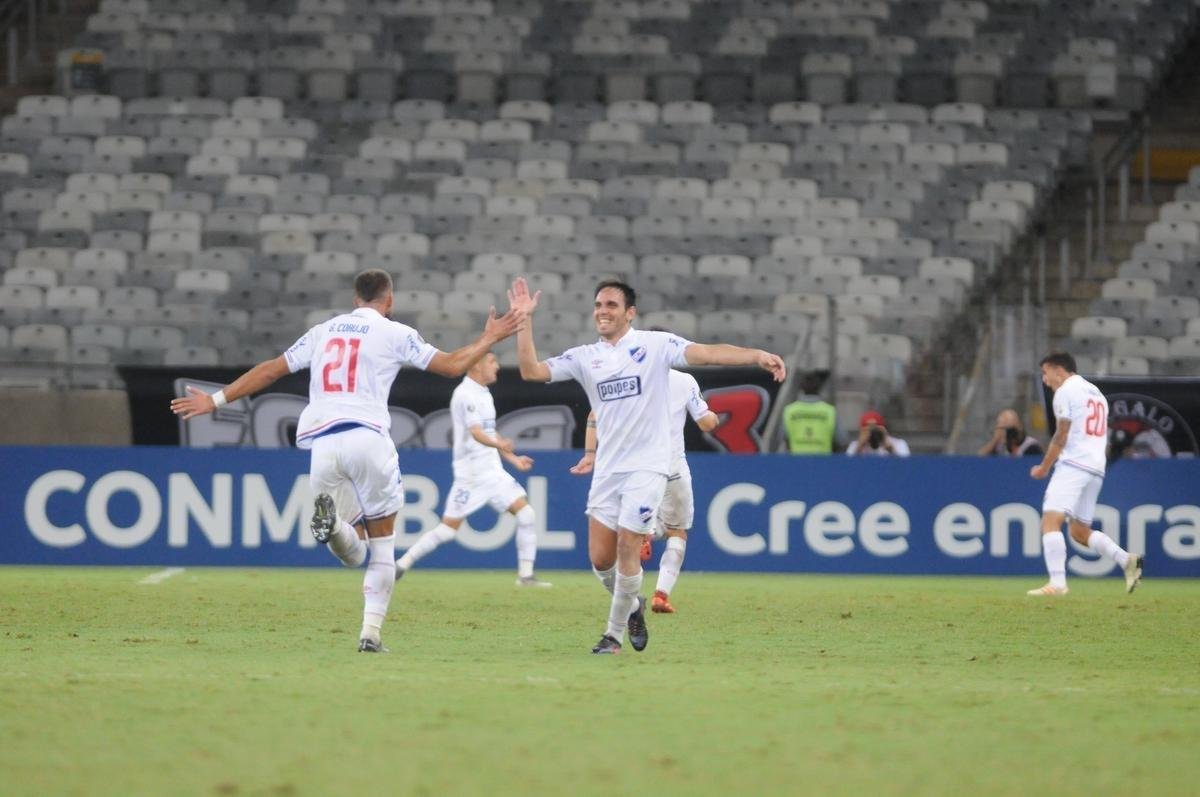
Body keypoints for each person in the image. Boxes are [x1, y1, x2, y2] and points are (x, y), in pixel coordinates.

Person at [170, 269, 523, 652]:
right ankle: (370, 634)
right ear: (388, 301)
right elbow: (453, 366)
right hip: (367, 437)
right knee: (382, 547)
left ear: (356, 299)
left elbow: (271, 369)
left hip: (323, 444)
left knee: (351, 548)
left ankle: (334, 524)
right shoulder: (394, 332)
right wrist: (491, 336)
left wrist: (215, 400)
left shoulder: (323, 331)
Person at [508, 276, 786, 654]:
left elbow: (707, 353)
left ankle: (612, 635)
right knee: (600, 559)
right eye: (598, 305)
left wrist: (755, 356)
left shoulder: (656, 346)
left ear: (630, 313)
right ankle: (634, 603)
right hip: (609, 470)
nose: (602, 312)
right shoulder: (585, 357)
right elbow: (531, 372)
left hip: (649, 468)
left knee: (627, 544)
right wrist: (523, 322)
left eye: (611, 305)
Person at [394, 352, 550, 587]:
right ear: (476, 366)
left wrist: (513, 459)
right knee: (447, 530)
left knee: (527, 514)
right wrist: (500, 444)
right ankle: (401, 564)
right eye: (492, 361)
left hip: (492, 471)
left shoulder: (483, 393)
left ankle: (525, 576)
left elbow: (488, 431)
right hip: (471, 475)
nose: (497, 366)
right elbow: (476, 433)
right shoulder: (464, 394)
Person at [571, 369, 719, 614]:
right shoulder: (684, 380)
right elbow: (706, 423)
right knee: (677, 532)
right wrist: (714, 416)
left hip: (639, 468)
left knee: (634, 530)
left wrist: (589, 454)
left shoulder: (627, 378)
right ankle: (661, 595)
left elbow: (594, 415)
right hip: (673, 468)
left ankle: (646, 532)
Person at [1027, 351, 1143, 596]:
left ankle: (1057, 583)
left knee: (1050, 521)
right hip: (1096, 467)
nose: (1045, 380)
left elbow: (1061, 434)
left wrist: (1044, 467)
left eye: (1045, 373)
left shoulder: (1064, 392)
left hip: (1074, 463)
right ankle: (1127, 561)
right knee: (1079, 532)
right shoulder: (1096, 394)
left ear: (1059, 370)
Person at [782, 371, 836, 454]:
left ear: (801, 388)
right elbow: (840, 440)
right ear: (819, 388)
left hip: (797, 461)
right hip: (823, 462)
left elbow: (784, 437)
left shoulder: (789, 410)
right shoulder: (830, 411)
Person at [977, 408, 1044, 457]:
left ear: (1019, 427)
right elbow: (979, 461)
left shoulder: (1031, 446)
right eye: (1002, 429)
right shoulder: (999, 447)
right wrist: (994, 440)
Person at [845, 410, 910, 456]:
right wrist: (859, 446)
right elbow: (846, 466)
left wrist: (890, 448)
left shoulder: (899, 444)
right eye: (867, 429)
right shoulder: (855, 445)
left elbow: (906, 466)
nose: (872, 432)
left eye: (875, 428)